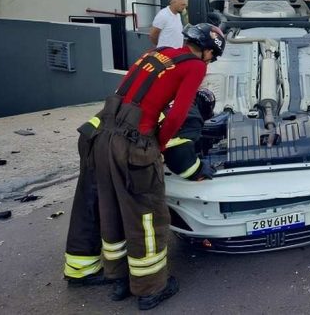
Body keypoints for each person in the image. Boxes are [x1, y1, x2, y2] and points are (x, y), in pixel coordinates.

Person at [91, 23, 224, 310]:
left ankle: (119, 280)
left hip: (103, 135)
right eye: (212, 56)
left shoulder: (156, 54)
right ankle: (151, 289)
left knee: (112, 208)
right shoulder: (194, 66)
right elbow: (177, 116)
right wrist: (159, 145)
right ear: (207, 50)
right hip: (134, 143)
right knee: (147, 216)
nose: (210, 61)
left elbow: (127, 91)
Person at [63, 89, 217, 289]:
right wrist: (200, 169)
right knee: (143, 215)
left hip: (94, 139)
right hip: (122, 147)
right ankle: (148, 286)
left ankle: (79, 270)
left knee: (90, 203)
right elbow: (181, 159)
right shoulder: (190, 109)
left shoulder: (165, 92)